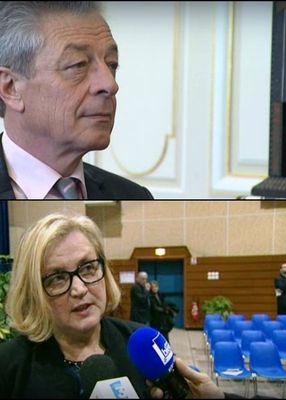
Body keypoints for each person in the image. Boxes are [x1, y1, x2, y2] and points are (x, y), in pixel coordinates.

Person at [0, 1, 153, 199]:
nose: (109, 85)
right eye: (78, 64)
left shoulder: (134, 196)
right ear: (10, 87)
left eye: (112, 64)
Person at [0, 212, 151, 397]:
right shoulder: (8, 366)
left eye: (88, 268)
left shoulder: (141, 345)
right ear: (34, 292)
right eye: (57, 278)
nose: (79, 289)